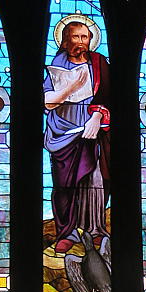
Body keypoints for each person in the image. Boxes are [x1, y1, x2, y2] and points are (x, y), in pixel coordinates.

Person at [44, 21, 110, 253]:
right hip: (62, 132)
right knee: (64, 185)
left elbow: (112, 97)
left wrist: (98, 116)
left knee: (96, 181)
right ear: (65, 40)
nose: (81, 42)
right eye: (76, 37)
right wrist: (71, 88)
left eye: (85, 37)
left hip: (92, 131)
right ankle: (68, 232)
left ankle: (95, 230)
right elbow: (47, 103)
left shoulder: (99, 64)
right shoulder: (57, 65)